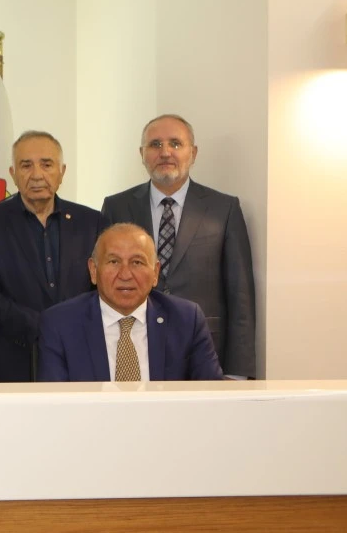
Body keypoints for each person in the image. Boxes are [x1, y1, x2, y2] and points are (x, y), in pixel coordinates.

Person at [100, 114, 256, 378]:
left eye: (175, 143)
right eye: (155, 144)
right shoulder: (117, 206)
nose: (165, 152)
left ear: (193, 153)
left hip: (206, 352)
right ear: (142, 154)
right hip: (134, 350)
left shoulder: (223, 209)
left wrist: (238, 373)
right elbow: (104, 283)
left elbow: (240, 294)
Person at [0, 131, 106, 382]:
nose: (36, 175)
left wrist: (71, 325)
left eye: (47, 164)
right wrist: (42, 325)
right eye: (26, 165)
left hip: (80, 354)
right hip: (15, 358)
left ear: (62, 172)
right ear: (12, 173)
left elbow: (103, 286)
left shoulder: (91, 222)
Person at [37, 223, 224, 382]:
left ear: (155, 273)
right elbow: (55, 404)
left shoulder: (186, 320)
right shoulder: (60, 324)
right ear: (93, 270)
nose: (125, 275)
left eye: (137, 263)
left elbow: (213, 396)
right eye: (113, 262)